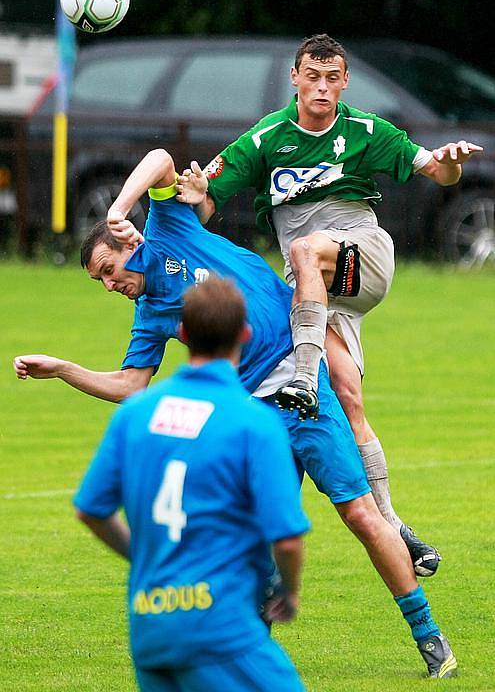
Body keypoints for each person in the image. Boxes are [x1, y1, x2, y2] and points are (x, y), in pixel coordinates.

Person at [14, 149, 457, 678]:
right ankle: (249, 661)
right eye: (99, 283)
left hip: (301, 380)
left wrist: (121, 205)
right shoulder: (150, 314)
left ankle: (430, 638)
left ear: (128, 242)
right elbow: (131, 384)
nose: (109, 285)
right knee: (258, 535)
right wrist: (64, 369)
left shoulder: (167, 227)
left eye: (108, 271)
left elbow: (160, 158)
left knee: (359, 513)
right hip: (253, 416)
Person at [175, 32, 483, 577]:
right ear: (295, 78)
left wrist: (451, 163)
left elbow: (437, 171)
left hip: (358, 258)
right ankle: (395, 527)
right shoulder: (266, 138)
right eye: (311, 76)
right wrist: (197, 191)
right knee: (348, 396)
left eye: (331, 78)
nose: (321, 87)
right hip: (314, 293)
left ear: (344, 82)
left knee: (302, 249)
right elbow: (204, 208)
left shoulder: (365, 131)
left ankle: (302, 377)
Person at [74, 275, 309, 692]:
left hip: (150, 627)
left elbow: (91, 508)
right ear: (246, 334)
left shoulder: (136, 412)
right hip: (220, 627)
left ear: (181, 334)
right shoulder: (252, 421)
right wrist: (288, 593)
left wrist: (142, 554)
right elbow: (287, 540)